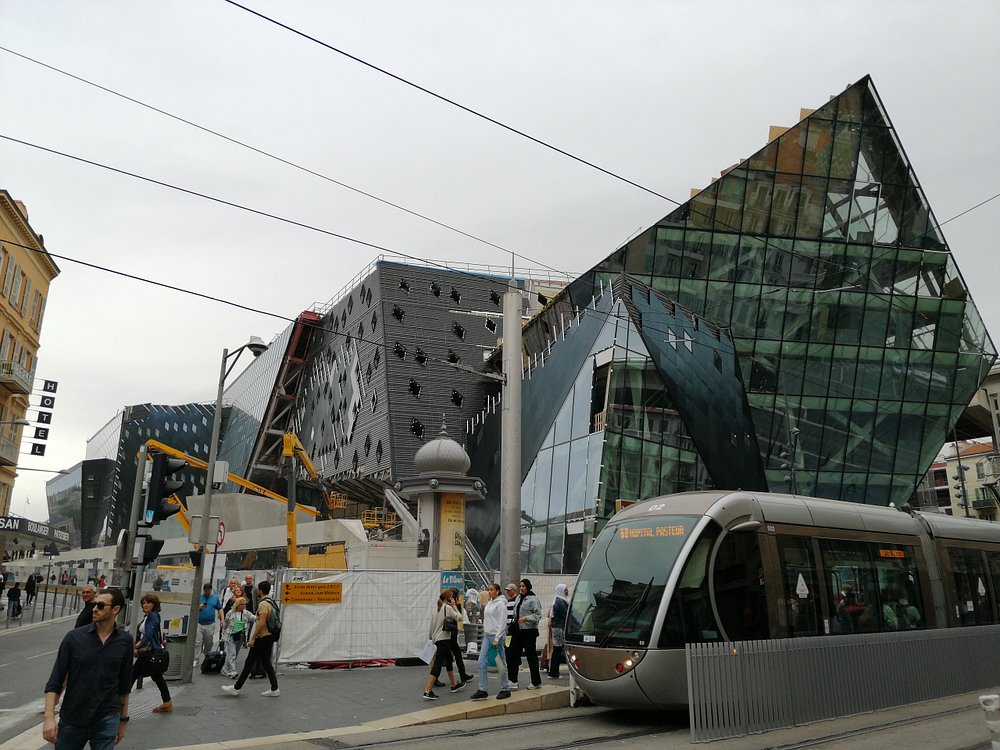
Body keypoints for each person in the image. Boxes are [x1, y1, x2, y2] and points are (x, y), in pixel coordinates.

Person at [43, 588, 134, 749]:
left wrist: (123, 721)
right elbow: (55, 680)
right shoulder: (74, 638)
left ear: (115, 610)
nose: (94, 609)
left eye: (100, 605)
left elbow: (124, 686)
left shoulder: (125, 641)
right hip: (73, 717)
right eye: (94, 605)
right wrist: (49, 717)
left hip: (107, 717)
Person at [221, 580, 280, 697]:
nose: (257, 591)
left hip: (262, 637)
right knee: (266, 662)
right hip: (270, 636)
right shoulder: (272, 602)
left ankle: (236, 687)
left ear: (261, 591)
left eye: (258, 589)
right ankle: (274, 688)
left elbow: (261, 622)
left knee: (249, 662)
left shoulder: (263, 604)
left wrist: (253, 638)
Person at [131, 593, 172, 713]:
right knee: (157, 677)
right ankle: (167, 702)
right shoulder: (148, 616)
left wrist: (136, 646)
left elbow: (148, 634)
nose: (145, 605)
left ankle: (119, 704)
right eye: (143, 603)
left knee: (132, 676)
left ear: (154, 604)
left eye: (148, 602)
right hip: (149, 652)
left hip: (149, 652)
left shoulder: (153, 616)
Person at [470, 583, 512, 701]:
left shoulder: (501, 604)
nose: (489, 592)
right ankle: (482, 689)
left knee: (500, 663)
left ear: (498, 591)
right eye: (489, 590)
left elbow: (502, 623)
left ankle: (505, 688)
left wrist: (497, 638)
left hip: (495, 637)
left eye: (492, 590)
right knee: (481, 662)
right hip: (488, 636)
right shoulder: (490, 602)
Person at [422, 590, 464, 700]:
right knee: (438, 665)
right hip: (444, 639)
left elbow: (431, 627)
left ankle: (454, 684)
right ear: (449, 598)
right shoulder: (448, 608)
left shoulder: (436, 609)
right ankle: (427, 690)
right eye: (452, 598)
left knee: (449, 659)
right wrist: (455, 606)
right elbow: (459, 617)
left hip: (437, 639)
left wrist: (431, 638)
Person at [507, 578, 542, 690]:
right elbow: (515, 613)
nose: (521, 588)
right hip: (518, 630)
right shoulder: (518, 598)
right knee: (512, 654)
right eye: (520, 586)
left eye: (523, 586)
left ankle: (536, 682)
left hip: (529, 631)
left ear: (528, 587)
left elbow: (538, 616)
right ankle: (513, 680)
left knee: (531, 657)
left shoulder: (533, 599)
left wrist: (526, 618)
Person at [221, 597, 255, 678]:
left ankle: (226, 668)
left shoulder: (246, 613)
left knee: (234, 654)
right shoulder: (230, 613)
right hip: (231, 636)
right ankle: (233, 670)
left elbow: (254, 618)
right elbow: (225, 624)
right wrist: (223, 634)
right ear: (237, 605)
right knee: (232, 654)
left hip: (241, 637)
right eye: (242, 604)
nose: (243, 606)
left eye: (244, 604)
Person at [194, 583, 223, 668]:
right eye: (205, 591)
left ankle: (207, 656)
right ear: (203, 590)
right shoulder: (199, 598)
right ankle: (195, 659)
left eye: (208, 591)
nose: (207, 592)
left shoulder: (215, 598)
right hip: (199, 623)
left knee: (209, 642)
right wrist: (199, 607)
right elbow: (193, 609)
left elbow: (220, 608)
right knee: (198, 642)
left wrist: (222, 619)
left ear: (211, 590)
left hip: (210, 624)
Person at [547, 583, 570, 679]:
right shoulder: (560, 601)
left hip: (557, 627)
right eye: (565, 590)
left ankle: (553, 672)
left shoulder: (559, 600)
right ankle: (553, 672)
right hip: (559, 628)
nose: (567, 591)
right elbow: (566, 614)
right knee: (558, 649)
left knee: (557, 650)